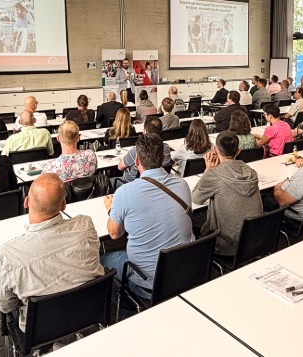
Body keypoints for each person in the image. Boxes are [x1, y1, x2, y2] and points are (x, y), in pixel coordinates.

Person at [0, 173, 104, 332]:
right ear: (63, 205)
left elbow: (4, 305)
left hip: (39, 330)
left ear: (26, 202)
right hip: (89, 313)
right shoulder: (86, 225)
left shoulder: (7, 255)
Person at [102, 133, 194, 297]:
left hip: (150, 284)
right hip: (186, 272)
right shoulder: (182, 184)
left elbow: (115, 234)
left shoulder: (125, 192)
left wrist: (111, 209)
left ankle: (124, 307)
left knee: (102, 260)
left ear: (137, 161)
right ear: (163, 158)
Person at [191, 131, 263, 256]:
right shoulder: (251, 172)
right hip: (255, 239)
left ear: (215, 149)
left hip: (227, 245)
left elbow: (196, 198)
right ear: (238, 151)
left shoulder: (213, 175)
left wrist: (208, 170)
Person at [115, 117, 171, 186]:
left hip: (130, 184)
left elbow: (120, 167)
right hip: (160, 183)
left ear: (145, 131)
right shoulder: (166, 148)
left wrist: (128, 166)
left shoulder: (137, 150)